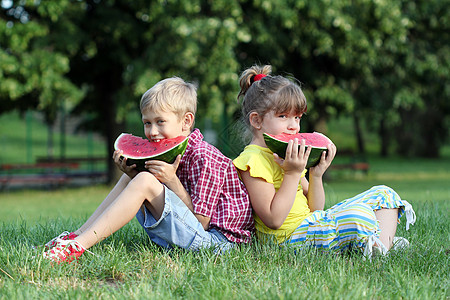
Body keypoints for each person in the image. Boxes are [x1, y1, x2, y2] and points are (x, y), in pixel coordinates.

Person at [41, 77, 254, 262]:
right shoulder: (171, 152)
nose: (152, 131)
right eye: (147, 123)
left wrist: (171, 181)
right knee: (134, 179)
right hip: (191, 235)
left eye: (160, 122)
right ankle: (76, 236)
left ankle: (76, 248)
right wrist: (132, 176)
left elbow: (201, 222)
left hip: (219, 245)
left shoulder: (204, 156)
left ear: (186, 121)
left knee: (144, 181)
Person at [233, 65, 416, 257]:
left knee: (384, 193)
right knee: (359, 215)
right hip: (287, 241)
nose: (293, 126)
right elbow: (273, 219)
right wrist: (292, 173)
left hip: (311, 226)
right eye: (283, 116)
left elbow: (316, 209)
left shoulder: (286, 154)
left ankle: (378, 245)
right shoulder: (252, 161)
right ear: (256, 120)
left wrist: (316, 175)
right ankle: (378, 243)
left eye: (297, 117)